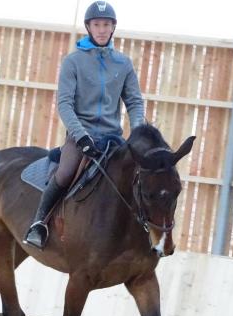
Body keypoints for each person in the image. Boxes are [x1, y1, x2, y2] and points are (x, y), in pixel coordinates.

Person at [23, 0, 145, 249]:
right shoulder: (73, 61)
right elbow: (65, 104)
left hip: (113, 138)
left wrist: (138, 131)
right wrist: (80, 136)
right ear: (89, 27)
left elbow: (134, 101)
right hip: (81, 138)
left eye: (106, 24)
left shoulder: (123, 64)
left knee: (137, 177)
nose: (102, 29)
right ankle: (39, 224)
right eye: (97, 24)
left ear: (113, 28)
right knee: (66, 172)